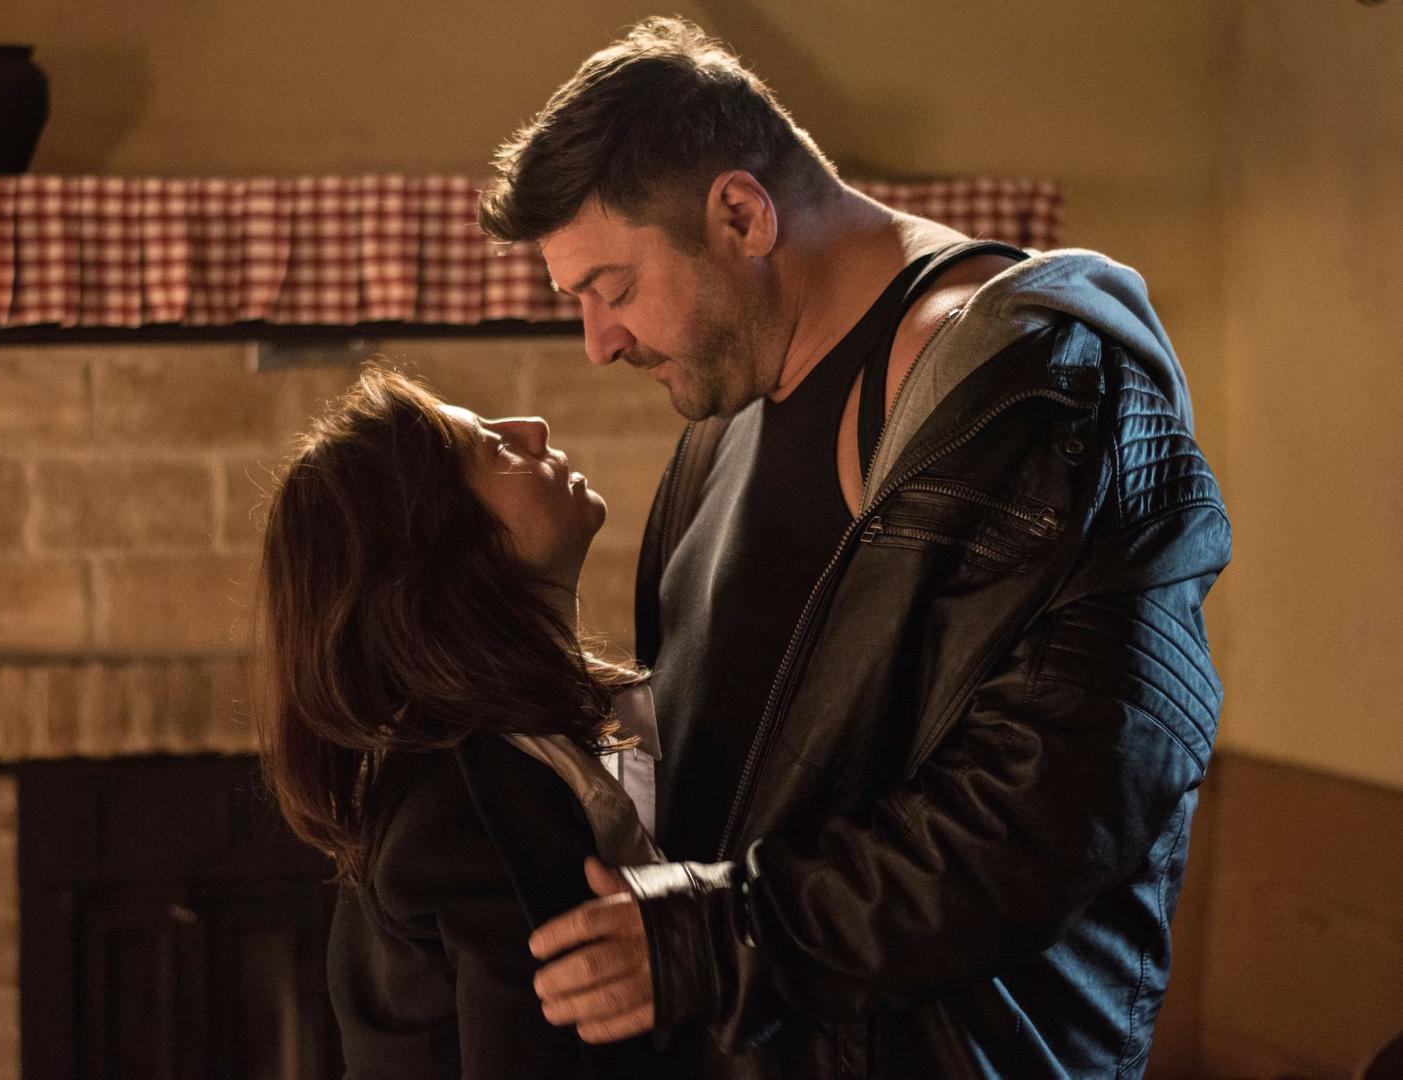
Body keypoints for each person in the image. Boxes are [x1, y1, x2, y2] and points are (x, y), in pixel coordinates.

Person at [477, 17, 1231, 1079]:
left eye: (612, 288)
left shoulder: (1041, 386)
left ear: (740, 214)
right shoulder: (729, 405)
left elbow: (1064, 800)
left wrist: (725, 940)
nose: (599, 343)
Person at [253, 367, 676, 1079]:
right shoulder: (458, 817)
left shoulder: (532, 751)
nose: (532, 429)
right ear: (446, 551)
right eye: (493, 448)